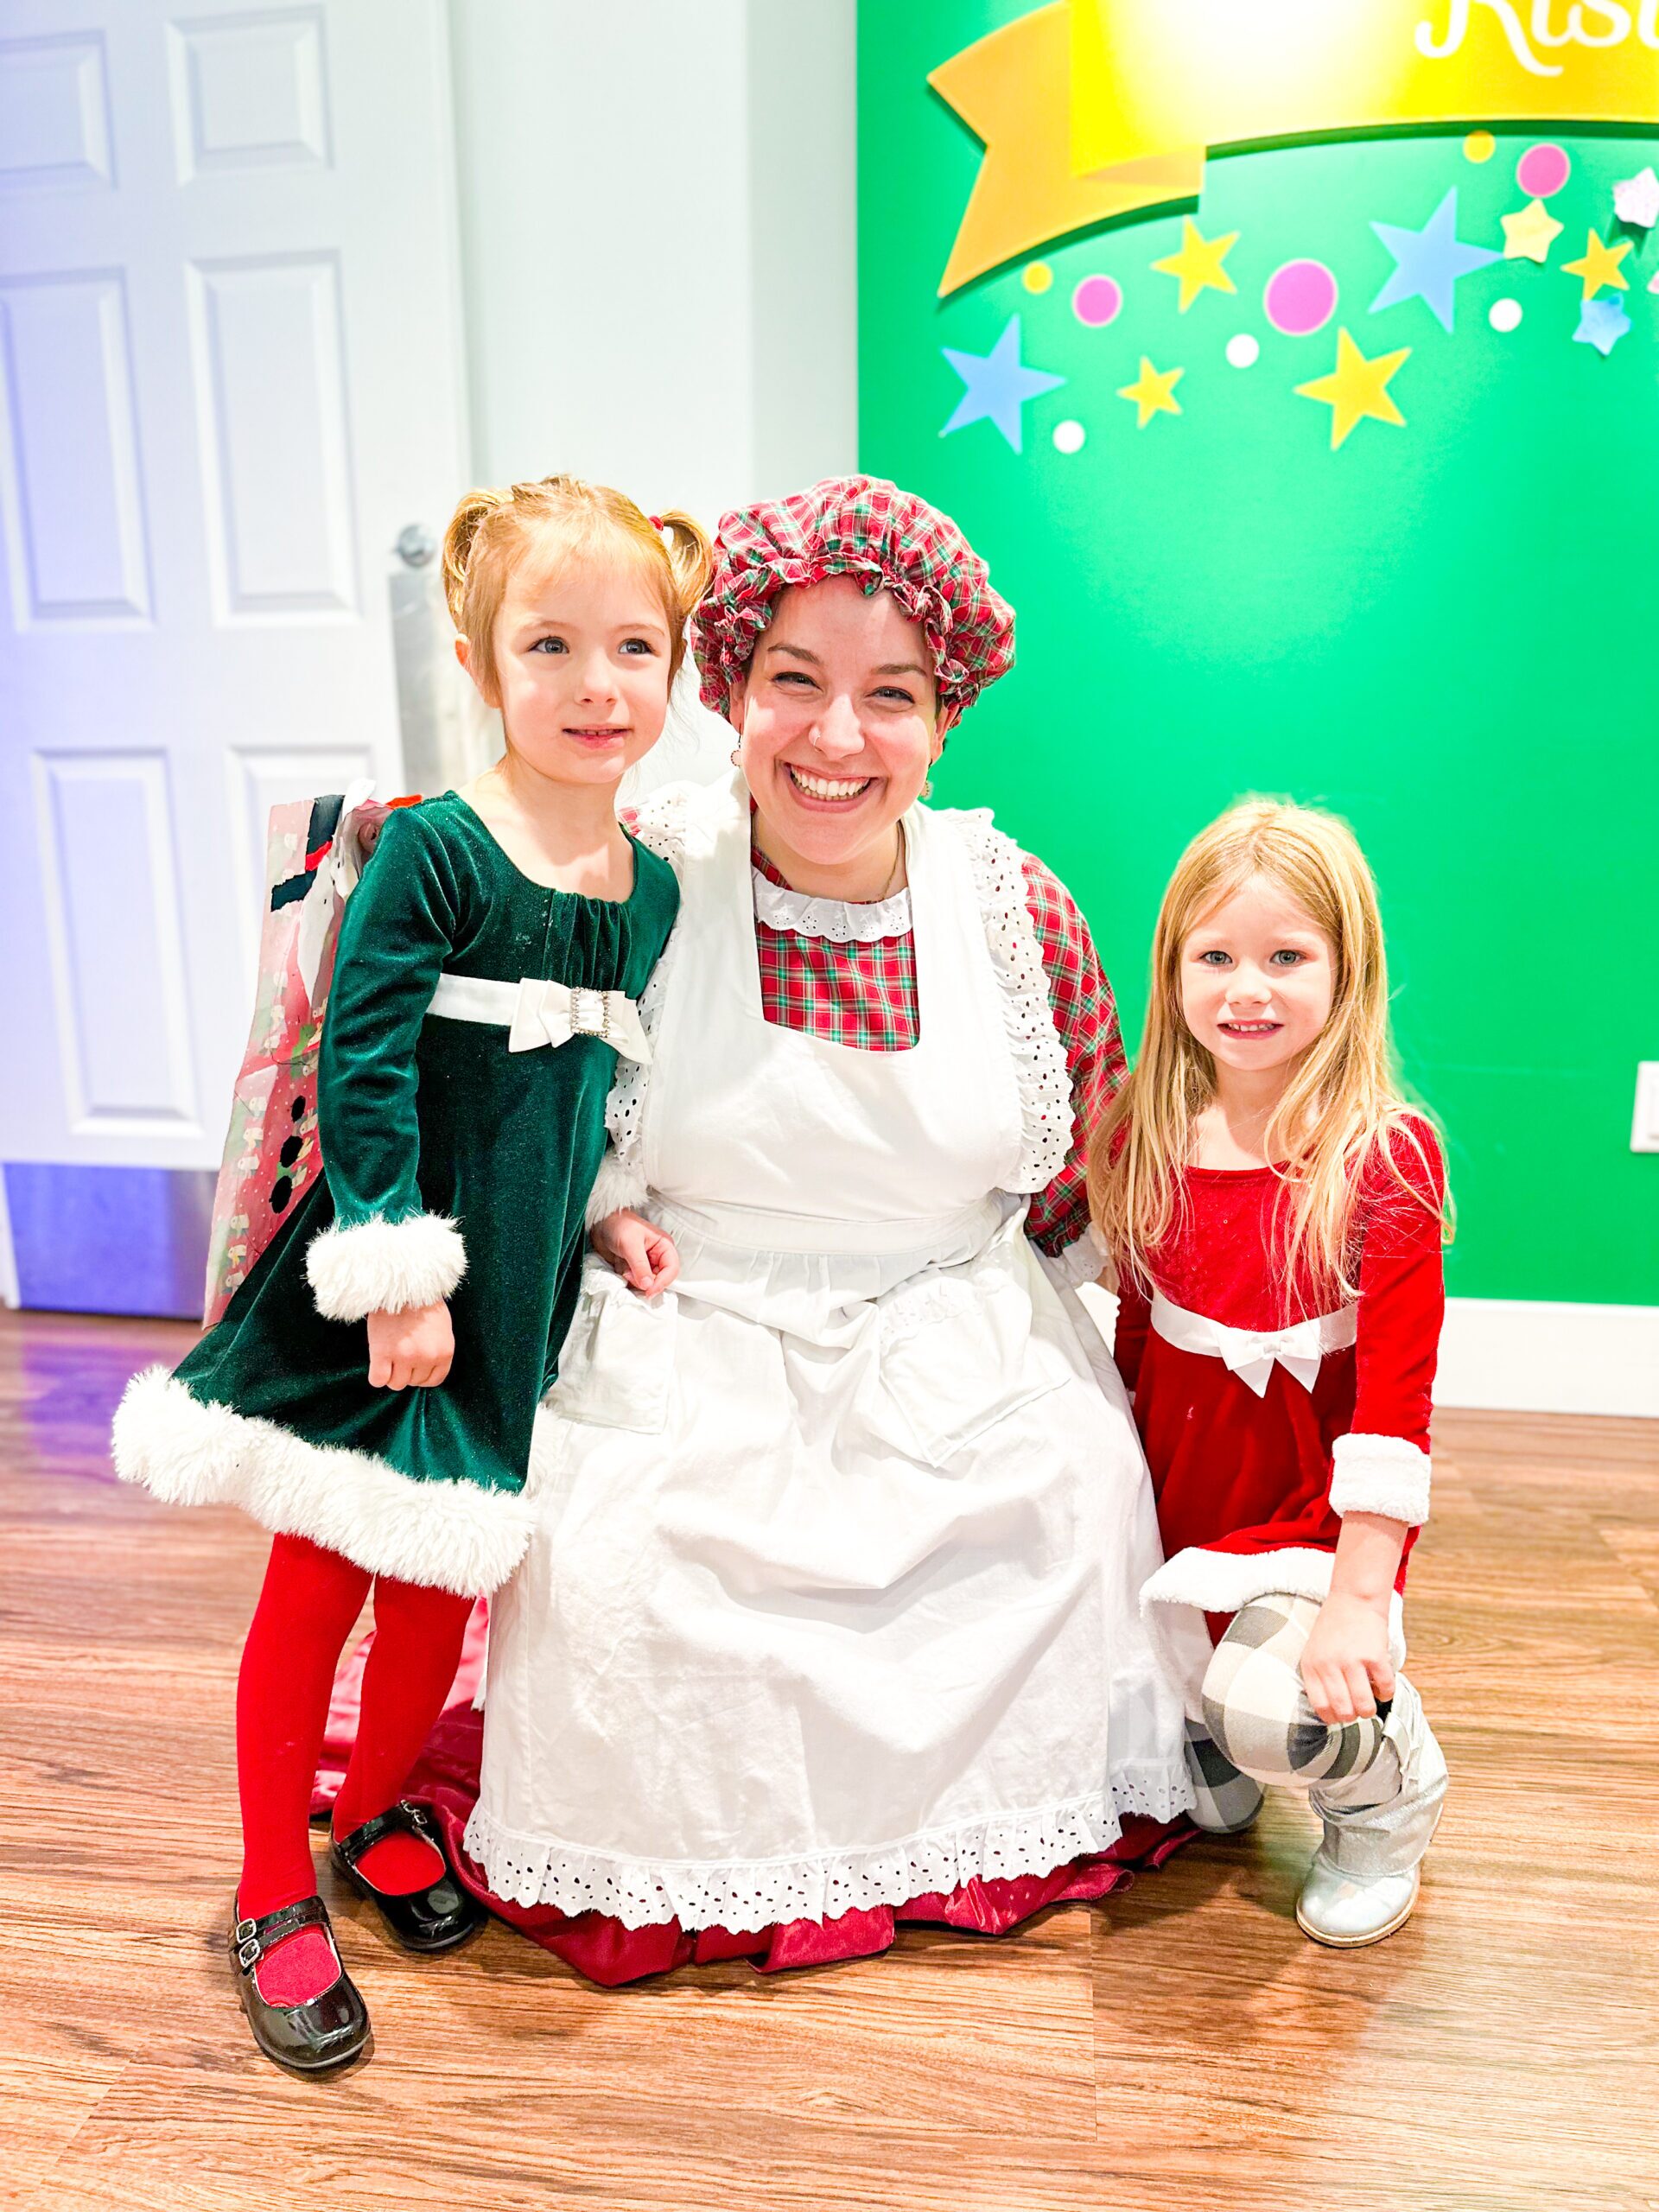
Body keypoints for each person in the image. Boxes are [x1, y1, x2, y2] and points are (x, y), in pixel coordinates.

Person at [463, 475, 1192, 1983]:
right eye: (794, 682)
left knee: (1069, 1498)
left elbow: (1088, 1188)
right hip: (697, 1330)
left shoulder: (1013, 911)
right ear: (729, 688)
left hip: (949, 1341)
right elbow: (526, 1113)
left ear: (947, 716)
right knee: (614, 1569)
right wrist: (600, 1214)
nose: (839, 738)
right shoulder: (643, 872)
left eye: (893, 697)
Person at [111, 476, 708, 2068]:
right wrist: (394, 1269)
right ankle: (266, 1885)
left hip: (517, 1292)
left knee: (448, 1567)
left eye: (636, 648)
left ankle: (378, 1810)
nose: (599, 686)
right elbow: (362, 1063)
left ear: (676, 666)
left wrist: (602, 1216)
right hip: (389, 1286)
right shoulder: (438, 856)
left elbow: (597, 1089)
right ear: (478, 661)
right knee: (324, 1571)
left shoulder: (647, 889)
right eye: (553, 646)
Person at [1090, 800, 1450, 1948]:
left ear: (1347, 971)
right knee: (1172, 1744)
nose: (1248, 992)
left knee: (1280, 1705)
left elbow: (1398, 1407)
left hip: (1309, 1515)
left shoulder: (1381, 1156)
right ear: (1175, 969)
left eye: (1287, 958)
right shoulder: (1147, 1133)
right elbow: (1137, 1349)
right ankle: (1227, 1726)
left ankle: (1389, 1799)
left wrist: (1357, 1600)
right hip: (1188, 1492)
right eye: (1218, 958)